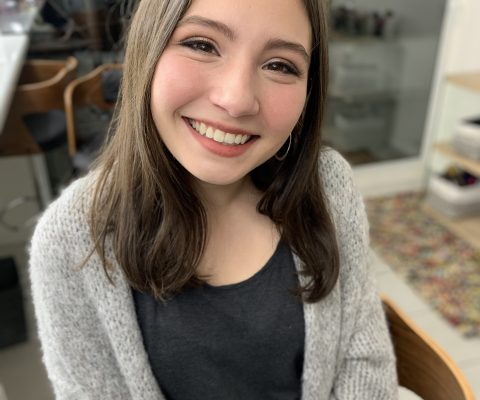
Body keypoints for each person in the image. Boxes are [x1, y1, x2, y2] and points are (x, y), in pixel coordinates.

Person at [29, 0, 398, 399]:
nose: (236, 99)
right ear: (147, 47)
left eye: (280, 65)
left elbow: (365, 361)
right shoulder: (70, 240)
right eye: (202, 45)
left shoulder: (329, 188)